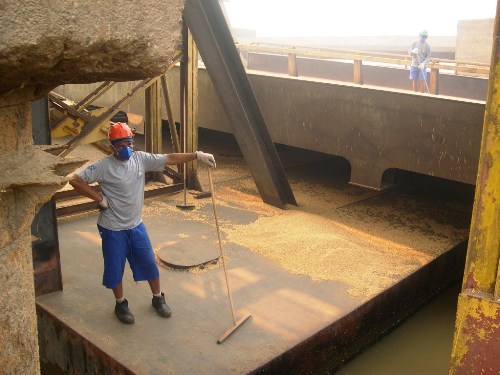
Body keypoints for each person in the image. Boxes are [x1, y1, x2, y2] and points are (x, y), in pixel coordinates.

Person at [69, 122, 216, 324]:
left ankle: (158, 298)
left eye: (128, 142)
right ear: (111, 146)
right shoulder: (103, 166)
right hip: (112, 228)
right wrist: (98, 198)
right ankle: (120, 303)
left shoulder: (140, 159)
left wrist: (197, 155)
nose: (126, 148)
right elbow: (76, 179)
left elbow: (170, 158)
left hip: (135, 225)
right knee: (115, 268)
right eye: (120, 145)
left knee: (148, 262)